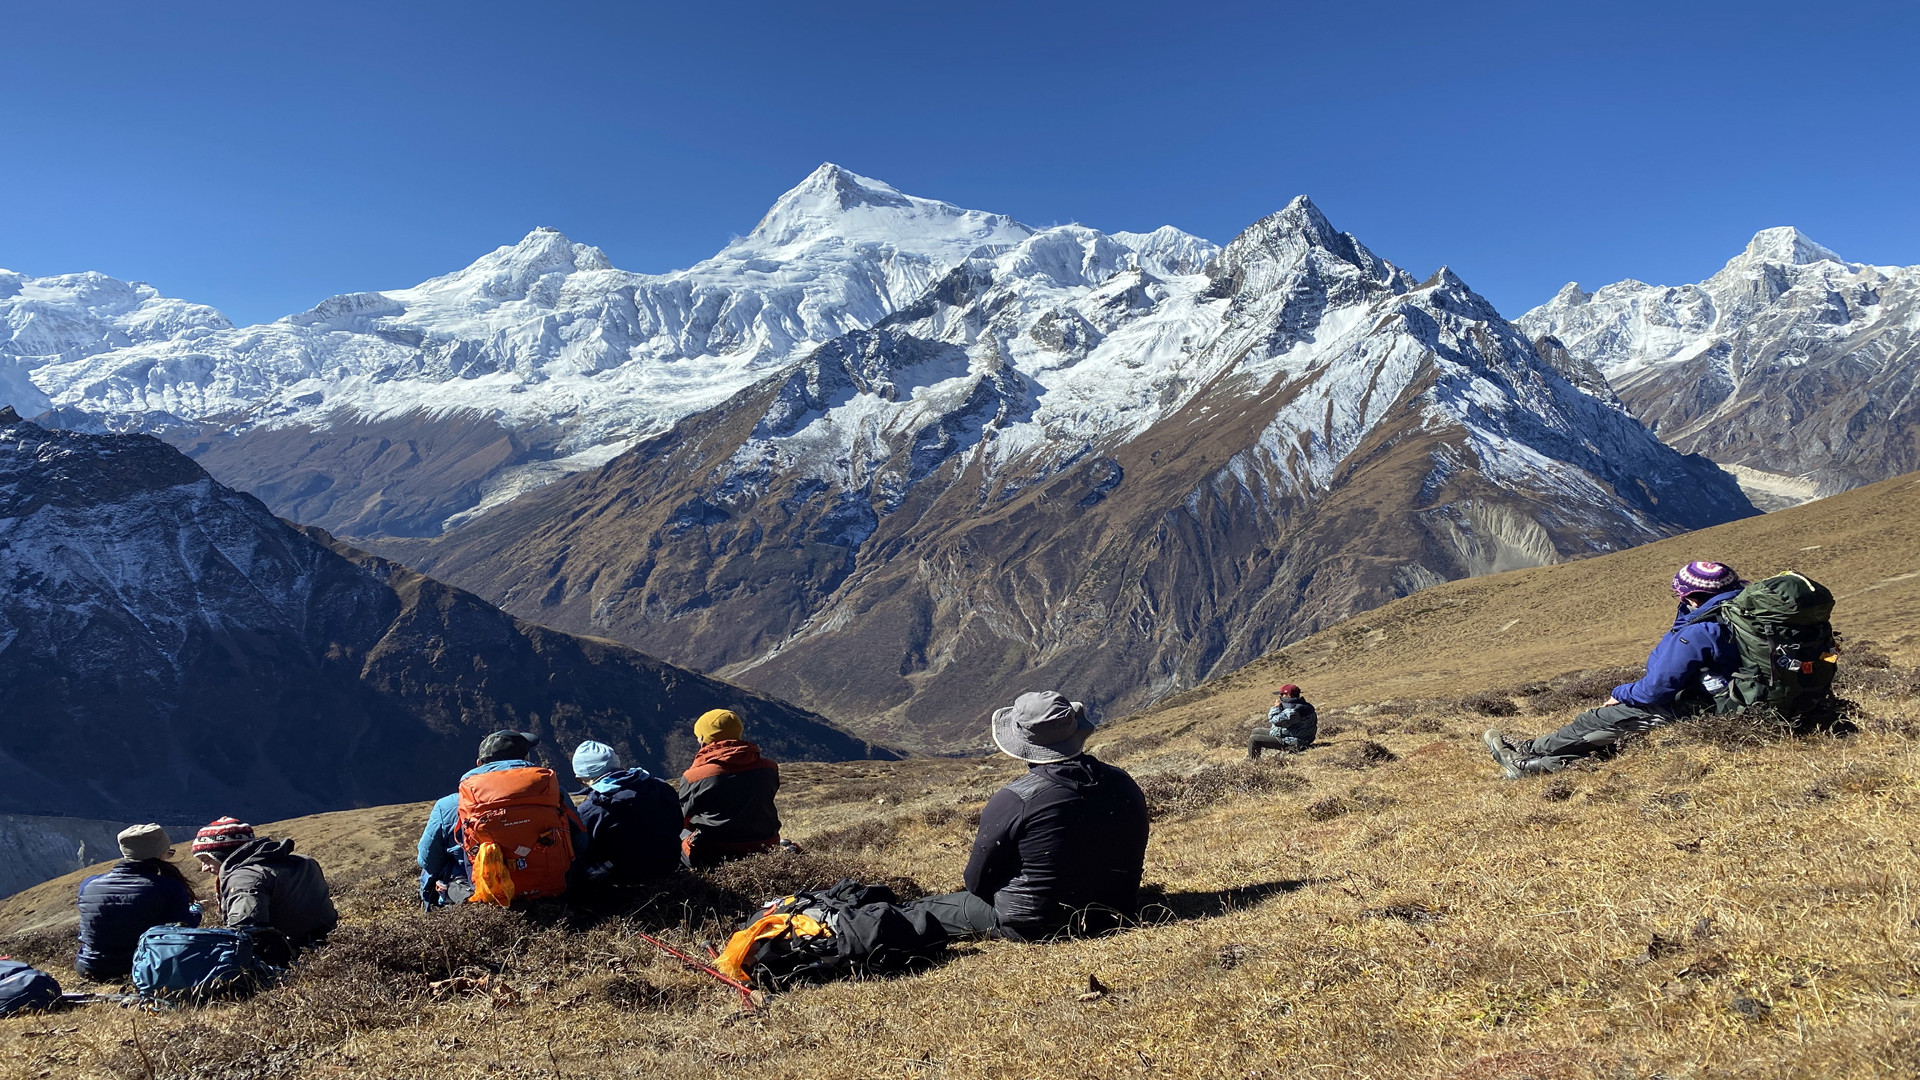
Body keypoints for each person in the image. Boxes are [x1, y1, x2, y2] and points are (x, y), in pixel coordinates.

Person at [905, 691, 1150, 942]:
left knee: (924, 910)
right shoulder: (1122, 781)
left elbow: (976, 882)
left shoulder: (1015, 799)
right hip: (1116, 912)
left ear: (1026, 745)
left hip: (1033, 924)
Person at [1485, 561, 1746, 778]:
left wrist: (1621, 692)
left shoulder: (1701, 630)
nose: (1679, 600)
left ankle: (1526, 754)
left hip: (1701, 706)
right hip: (1733, 697)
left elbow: (1656, 690)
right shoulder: (1742, 615)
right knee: (1606, 736)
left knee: (1594, 721)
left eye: (1680, 595)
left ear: (1691, 597)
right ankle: (1533, 765)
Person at [417, 729, 587, 906]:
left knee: (438, 867)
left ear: (479, 764)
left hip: (485, 894)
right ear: (525, 759)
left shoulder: (449, 805)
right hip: (552, 888)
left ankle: (438, 912)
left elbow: (428, 860)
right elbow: (581, 841)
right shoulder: (553, 792)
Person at [191, 818, 337, 962]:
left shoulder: (244, 879)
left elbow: (245, 935)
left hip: (286, 962)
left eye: (206, 859)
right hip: (329, 947)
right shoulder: (303, 862)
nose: (204, 868)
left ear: (222, 854)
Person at [74, 825, 200, 980]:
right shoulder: (170, 887)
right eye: (169, 852)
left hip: (90, 968)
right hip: (143, 967)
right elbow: (181, 931)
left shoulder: (88, 884)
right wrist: (196, 912)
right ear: (161, 854)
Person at [571, 740, 683, 886]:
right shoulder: (660, 787)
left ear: (581, 778)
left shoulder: (593, 809)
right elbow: (678, 823)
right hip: (669, 864)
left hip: (624, 879)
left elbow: (582, 848)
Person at [678, 710, 781, 868]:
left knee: (675, 834)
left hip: (715, 852)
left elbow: (681, 820)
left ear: (705, 739)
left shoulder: (695, 777)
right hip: (766, 845)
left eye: (699, 736)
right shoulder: (769, 767)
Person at [1249, 684, 1317, 758]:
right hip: (1297, 737)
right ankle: (1256, 754)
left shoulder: (1293, 711)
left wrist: (1276, 708)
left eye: (1282, 694)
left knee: (1254, 739)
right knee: (1256, 731)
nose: (1280, 697)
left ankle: (1253, 762)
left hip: (1293, 742)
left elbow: (1274, 720)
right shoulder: (1304, 706)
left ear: (1288, 695)